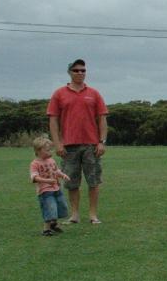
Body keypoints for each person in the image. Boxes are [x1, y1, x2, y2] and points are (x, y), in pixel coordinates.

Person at [46, 58, 108, 225]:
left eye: (83, 70)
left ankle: (93, 215)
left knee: (93, 181)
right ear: (69, 72)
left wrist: (101, 141)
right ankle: (74, 215)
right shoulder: (59, 94)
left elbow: (102, 119)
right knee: (71, 182)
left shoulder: (94, 93)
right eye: (76, 70)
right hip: (68, 146)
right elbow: (53, 120)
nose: (80, 73)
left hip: (91, 145)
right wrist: (57, 143)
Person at [29, 136, 71, 236]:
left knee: (60, 206)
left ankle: (54, 224)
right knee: (49, 208)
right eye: (47, 150)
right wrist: (47, 181)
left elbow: (56, 170)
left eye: (51, 149)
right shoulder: (35, 164)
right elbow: (34, 177)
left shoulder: (51, 160)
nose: (50, 151)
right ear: (38, 151)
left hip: (56, 188)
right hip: (45, 192)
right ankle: (46, 230)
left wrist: (63, 175)